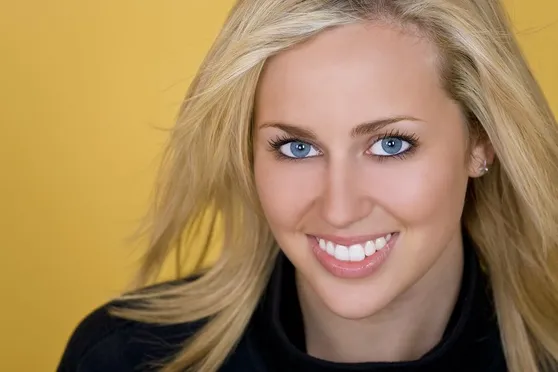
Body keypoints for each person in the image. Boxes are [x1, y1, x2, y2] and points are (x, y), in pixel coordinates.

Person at [57, 0, 558, 371]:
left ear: (481, 141)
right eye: (298, 147)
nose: (339, 209)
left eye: (390, 145)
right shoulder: (121, 358)